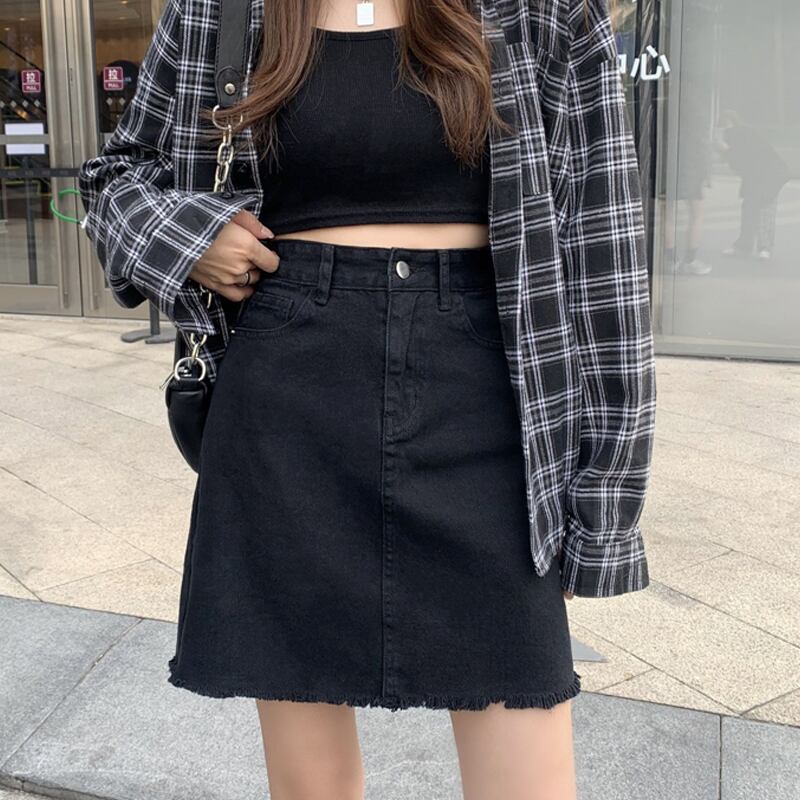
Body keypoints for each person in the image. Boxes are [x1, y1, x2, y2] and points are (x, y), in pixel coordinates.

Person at [77, 0, 656, 798]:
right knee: (309, 784)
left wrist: (603, 509)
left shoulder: (542, 10)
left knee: (528, 763)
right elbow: (116, 177)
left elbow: (605, 256)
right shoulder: (216, 9)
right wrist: (188, 238)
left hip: (487, 401)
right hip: (286, 405)